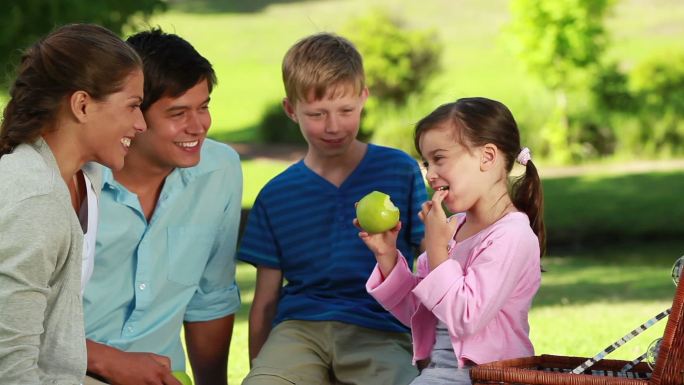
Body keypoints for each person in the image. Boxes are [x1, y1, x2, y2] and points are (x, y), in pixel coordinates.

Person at [238, 32, 426, 385]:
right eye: (317, 114)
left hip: (381, 328)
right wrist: (260, 367)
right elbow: (264, 301)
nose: (333, 126)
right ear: (291, 110)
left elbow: (434, 262)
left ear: (363, 98)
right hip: (299, 331)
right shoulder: (276, 195)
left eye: (346, 110)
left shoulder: (399, 170)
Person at [82, 29, 242, 385]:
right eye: (178, 112)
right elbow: (21, 317)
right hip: (66, 372)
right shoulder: (78, 179)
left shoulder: (220, 171)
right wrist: (109, 363)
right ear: (134, 114)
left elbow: (210, 298)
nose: (198, 126)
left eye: (204, 107)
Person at [360, 97, 545, 385]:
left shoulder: (512, 235)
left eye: (439, 158)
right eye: (426, 162)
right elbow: (419, 310)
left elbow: (465, 317)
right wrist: (387, 257)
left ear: (487, 157)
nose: (430, 175)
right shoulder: (453, 228)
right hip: (440, 374)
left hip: (488, 377)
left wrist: (435, 249)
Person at [0, 23, 146, 384]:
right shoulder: (35, 202)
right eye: (133, 106)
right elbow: (12, 371)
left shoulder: (85, 177)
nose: (141, 124)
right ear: (82, 105)